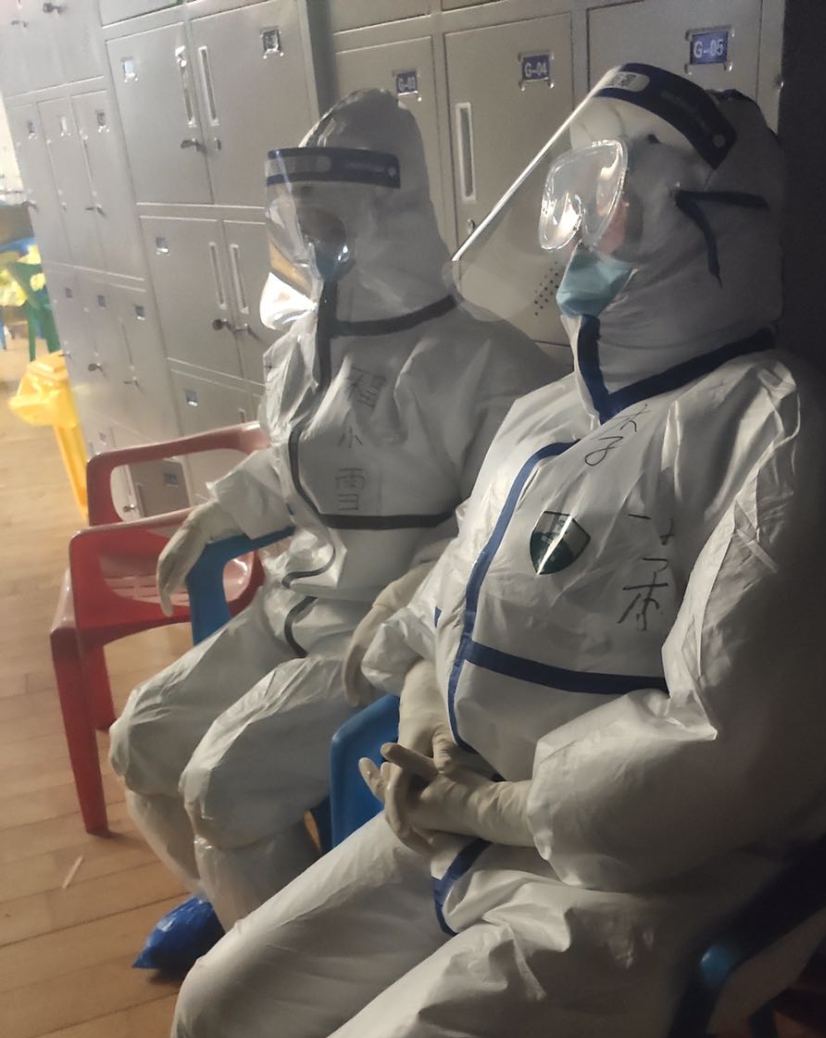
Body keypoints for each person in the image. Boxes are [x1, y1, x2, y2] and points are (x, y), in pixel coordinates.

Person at [167, 66, 826, 1038]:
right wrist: (422, 712)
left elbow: (716, 752)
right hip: (460, 821)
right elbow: (455, 599)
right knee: (211, 1034)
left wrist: (492, 805)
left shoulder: (793, 452)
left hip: (637, 891)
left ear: (711, 231)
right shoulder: (547, 417)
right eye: (573, 199)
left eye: (614, 203)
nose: (576, 231)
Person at [108, 89, 556, 928]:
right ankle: (229, 900)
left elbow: (495, 533)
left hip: (374, 638)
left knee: (220, 784)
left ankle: (272, 959)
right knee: (140, 740)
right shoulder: (310, 344)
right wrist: (216, 516)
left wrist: (405, 605)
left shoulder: (484, 364)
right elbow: (295, 461)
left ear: (390, 213)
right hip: (293, 605)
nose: (314, 241)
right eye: (302, 221)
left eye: (329, 220)